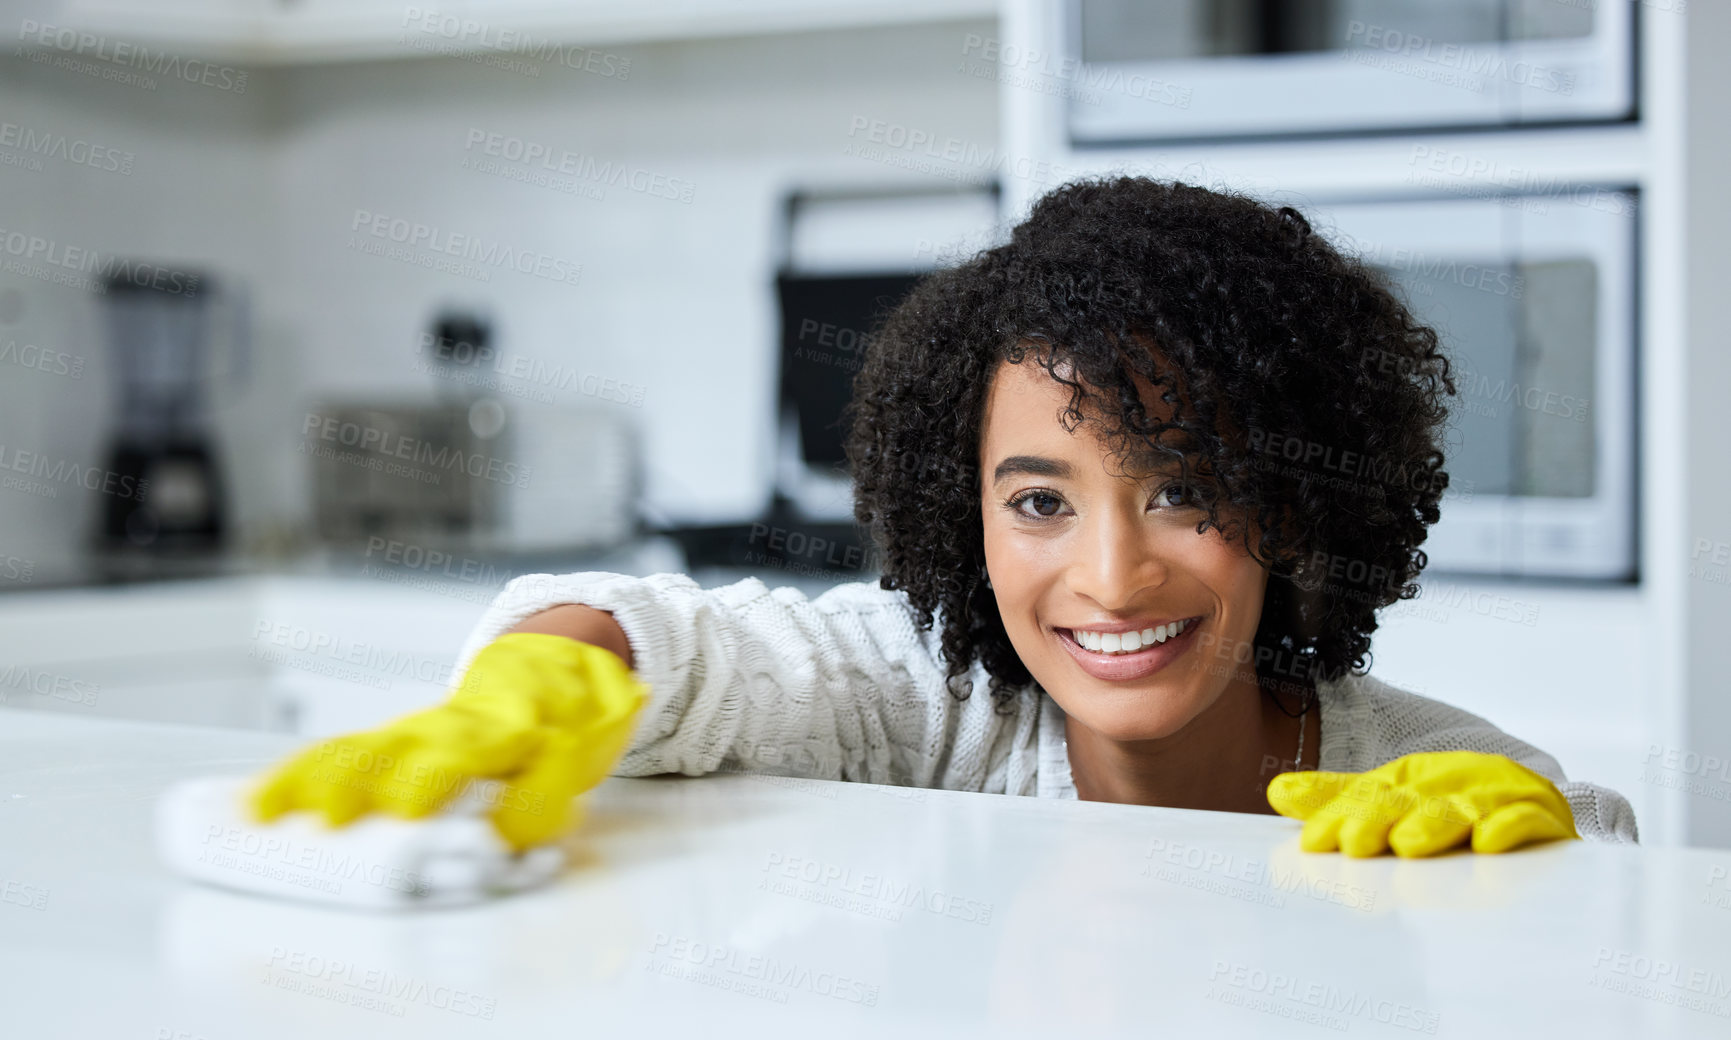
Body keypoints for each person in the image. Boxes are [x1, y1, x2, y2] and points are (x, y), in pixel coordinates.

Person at [252, 176, 1637, 857]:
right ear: (959, 508)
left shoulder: (1423, 768)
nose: (1109, 572)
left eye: (1186, 491)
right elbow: (687, 642)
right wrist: (554, 663)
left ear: (1297, 495)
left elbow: (1611, 885)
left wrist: (1539, 868)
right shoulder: (934, 703)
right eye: (1040, 498)